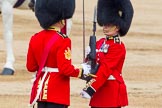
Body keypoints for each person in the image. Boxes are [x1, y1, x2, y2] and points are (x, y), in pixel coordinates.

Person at [26, 0, 91, 108]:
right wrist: (83, 71)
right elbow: (65, 69)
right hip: (57, 92)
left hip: (40, 92)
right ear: (61, 19)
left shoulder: (35, 38)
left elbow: (31, 67)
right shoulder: (63, 40)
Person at [80, 0, 134, 108]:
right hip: (99, 89)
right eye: (104, 24)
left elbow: (106, 68)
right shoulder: (99, 42)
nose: (105, 27)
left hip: (110, 91)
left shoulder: (118, 46)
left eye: (108, 25)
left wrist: (90, 88)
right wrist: (88, 58)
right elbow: (93, 66)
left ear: (117, 27)